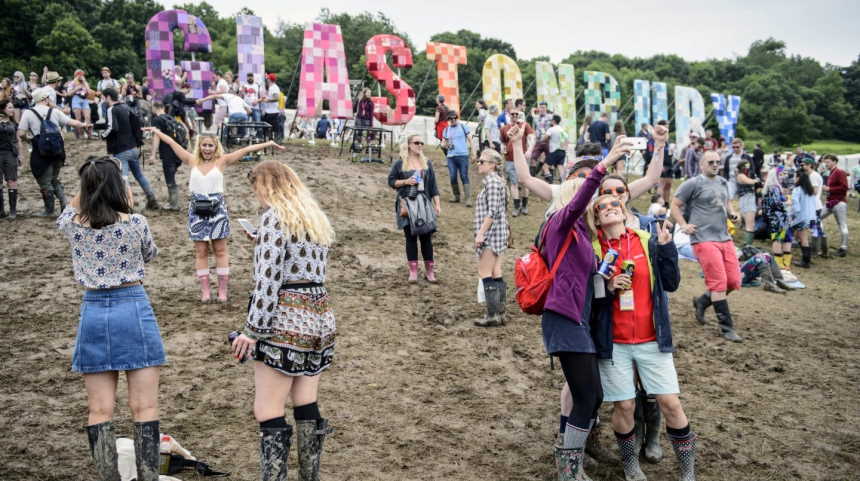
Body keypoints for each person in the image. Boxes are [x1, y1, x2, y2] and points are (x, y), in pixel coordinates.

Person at [529, 127, 630, 479]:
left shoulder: (580, 235)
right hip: (563, 319)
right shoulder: (559, 222)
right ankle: (568, 470)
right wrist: (604, 164)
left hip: (579, 322)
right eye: (582, 194)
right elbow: (580, 197)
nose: (589, 201)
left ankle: (570, 462)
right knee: (587, 396)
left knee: (594, 395)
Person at [58, 155, 164, 481]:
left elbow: (67, 211)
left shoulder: (73, 225)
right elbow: (150, 253)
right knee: (144, 407)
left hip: (93, 312)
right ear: (120, 186)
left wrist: (92, 180)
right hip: (132, 308)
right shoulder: (135, 223)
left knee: (99, 409)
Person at [229, 160, 336, 481]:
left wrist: (251, 331)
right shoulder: (313, 219)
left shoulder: (275, 218)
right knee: (306, 403)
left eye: (258, 188)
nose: (257, 196)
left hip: (285, 320)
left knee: (267, 410)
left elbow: (268, 281)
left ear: (269, 185)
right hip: (319, 318)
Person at [589, 194, 697, 481]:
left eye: (615, 205)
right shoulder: (593, 251)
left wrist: (667, 249)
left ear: (625, 212)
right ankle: (630, 465)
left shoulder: (647, 241)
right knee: (624, 405)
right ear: (597, 218)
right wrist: (608, 286)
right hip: (614, 343)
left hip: (652, 339)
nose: (610, 208)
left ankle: (687, 471)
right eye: (602, 207)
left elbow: (671, 283)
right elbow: (588, 300)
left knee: (670, 402)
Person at [143, 128, 285, 302]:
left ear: (216, 147)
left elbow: (246, 150)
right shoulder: (191, 160)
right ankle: (205, 290)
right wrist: (157, 131)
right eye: (204, 145)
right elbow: (172, 143)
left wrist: (269, 143)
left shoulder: (222, 161)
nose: (207, 148)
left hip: (217, 209)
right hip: (196, 210)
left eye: (210, 145)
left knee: (220, 250)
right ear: (199, 146)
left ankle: (223, 289)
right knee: (201, 251)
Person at [672, 151, 743, 342]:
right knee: (718, 283)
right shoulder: (693, 183)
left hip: (724, 237)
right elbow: (675, 204)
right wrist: (683, 225)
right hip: (703, 239)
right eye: (711, 162)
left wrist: (732, 213)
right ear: (701, 165)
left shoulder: (722, 182)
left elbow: (727, 203)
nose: (715, 165)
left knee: (733, 281)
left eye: (718, 162)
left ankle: (703, 300)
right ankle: (727, 328)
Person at [18, 87, 89, 216]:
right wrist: (84, 124)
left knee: (45, 182)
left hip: (40, 152)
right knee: (54, 178)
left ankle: (49, 210)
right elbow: (70, 122)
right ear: (45, 99)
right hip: (57, 151)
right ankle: (64, 205)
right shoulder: (55, 112)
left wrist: (29, 139)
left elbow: (21, 132)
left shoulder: (28, 113)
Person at [388, 135, 441, 282]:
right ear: (409, 145)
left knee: (426, 238)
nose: (420, 145)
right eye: (417, 142)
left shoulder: (427, 163)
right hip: (406, 203)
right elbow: (391, 181)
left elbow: (433, 187)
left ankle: (430, 271)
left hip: (424, 204)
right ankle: (413, 272)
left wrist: (437, 204)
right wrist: (406, 181)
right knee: (410, 237)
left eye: (421, 143)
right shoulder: (400, 164)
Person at [100, 88, 158, 210]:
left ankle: (127, 204)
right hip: (133, 148)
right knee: (139, 175)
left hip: (121, 150)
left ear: (108, 97)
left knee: (123, 178)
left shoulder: (112, 109)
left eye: (103, 97)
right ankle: (152, 198)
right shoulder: (126, 107)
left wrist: (102, 135)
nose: (103, 100)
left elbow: (112, 127)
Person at [473, 148, 508, 327]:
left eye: (482, 162)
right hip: (499, 233)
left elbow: (492, 211)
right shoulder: (495, 181)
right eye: (478, 161)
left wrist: (481, 233)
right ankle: (500, 313)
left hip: (492, 235)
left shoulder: (493, 183)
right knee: (496, 271)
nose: (478, 164)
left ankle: (493, 314)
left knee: (484, 272)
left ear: (493, 165)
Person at [149, 101, 186, 210]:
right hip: (178, 151)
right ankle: (173, 201)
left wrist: (153, 155)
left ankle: (174, 204)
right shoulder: (171, 118)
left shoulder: (157, 120)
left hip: (167, 153)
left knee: (170, 178)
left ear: (155, 107)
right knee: (172, 175)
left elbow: (156, 137)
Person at [500, 109, 534, 216]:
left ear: (519, 115)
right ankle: (516, 207)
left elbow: (532, 138)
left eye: (516, 114)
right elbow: (503, 142)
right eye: (512, 114)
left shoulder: (524, 125)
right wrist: (503, 148)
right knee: (513, 183)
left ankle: (524, 206)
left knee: (525, 182)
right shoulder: (505, 128)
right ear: (509, 116)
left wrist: (529, 150)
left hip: (522, 159)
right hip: (509, 159)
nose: (514, 116)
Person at [761, 166, 794, 270]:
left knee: (786, 238)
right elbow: (776, 203)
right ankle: (779, 263)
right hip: (777, 218)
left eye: (783, 174)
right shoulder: (773, 187)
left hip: (781, 217)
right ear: (774, 176)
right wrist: (787, 202)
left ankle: (785, 262)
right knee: (779, 238)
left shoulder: (774, 187)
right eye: (780, 174)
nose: (782, 177)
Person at [820, 154, 849, 257]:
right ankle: (821, 240)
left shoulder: (839, 172)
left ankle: (843, 247)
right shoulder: (831, 173)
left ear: (834, 162)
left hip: (839, 202)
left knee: (842, 224)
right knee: (816, 218)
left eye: (828, 162)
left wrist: (829, 189)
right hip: (831, 202)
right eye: (825, 162)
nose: (826, 164)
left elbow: (845, 187)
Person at [443, 110, 471, 206]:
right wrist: (446, 145)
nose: (452, 120)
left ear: (457, 118)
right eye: (450, 119)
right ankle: (456, 196)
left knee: (464, 176)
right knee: (452, 176)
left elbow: (470, 139)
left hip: (463, 155)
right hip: (451, 157)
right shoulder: (446, 130)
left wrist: (474, 152)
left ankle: (468, 198)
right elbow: (443, 143)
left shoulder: (463, 127)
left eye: (454, 118)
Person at [791, 169, 817, 268]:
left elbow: (796, 207)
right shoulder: (810, 191)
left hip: (802, 218)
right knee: (803, 237)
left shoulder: (797, 190)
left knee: (803, 238)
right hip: (811, 217)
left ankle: (806, 261)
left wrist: (792, 216)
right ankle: (806, 259)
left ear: (798, 178)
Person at [645, 120, 673, 204]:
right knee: (661, 185)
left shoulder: (666, 139)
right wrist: (658, 165)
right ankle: (657, 204)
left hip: (669, 165)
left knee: (668, 185)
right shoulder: (652, 139)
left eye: (668, 126)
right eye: (666, 126)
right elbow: (650, 154)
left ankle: (666, 205)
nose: (667, 128)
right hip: (660, 165)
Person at [0, 100, 19, 218]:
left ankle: (13, 211)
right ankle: (1, 211)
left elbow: (18, 140)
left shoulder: (13, 122)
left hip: (10, 154)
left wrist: (20, 155)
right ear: (3, 109)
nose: (12, 110)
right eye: (10, 107)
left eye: (13, 107)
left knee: (11, 181)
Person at [735, 160, 760, 246]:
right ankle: (747, 247)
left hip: (749, 199)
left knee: (750, 224)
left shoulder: (745, 175)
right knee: (750, 225)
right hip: (746, 199)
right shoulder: (740, 176)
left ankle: (748, 246)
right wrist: (757, 180)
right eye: (746, 167)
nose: (747, 168)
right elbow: (750, 181)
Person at [543, 115, 568, 187]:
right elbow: (566, 140)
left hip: (554, 150)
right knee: (560, 166)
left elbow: (545, 138)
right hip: (562, 151)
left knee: (545, 166)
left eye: (551, 120)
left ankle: (550, 182)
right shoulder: (562, 130)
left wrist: (543, 140)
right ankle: (564, 182)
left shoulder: (551, 129)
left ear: (553, 121)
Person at [68, 69, 93, 139]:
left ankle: (89, 135)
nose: (80, 76)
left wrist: (84, 82)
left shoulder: (85, 83)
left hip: (85, 99)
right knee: (78, 118)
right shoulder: (72, 83)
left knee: (87, 117)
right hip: (76, 99)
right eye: (79, 74)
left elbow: (90, 92)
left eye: (81, 74)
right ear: (75, 75)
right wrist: (76, 88)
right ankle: (80, 135)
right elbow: (68, 94)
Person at [261, 73, 284, 141]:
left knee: (274, 128)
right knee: (269, 128)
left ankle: (277, 140)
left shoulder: (274, 87)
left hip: (273, 111)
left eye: (267, 78)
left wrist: (268, 100)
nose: (267, 79)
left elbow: (277, 98)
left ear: (270, 79)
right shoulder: (271, 87)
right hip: (269, 111)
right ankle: (271, 140)